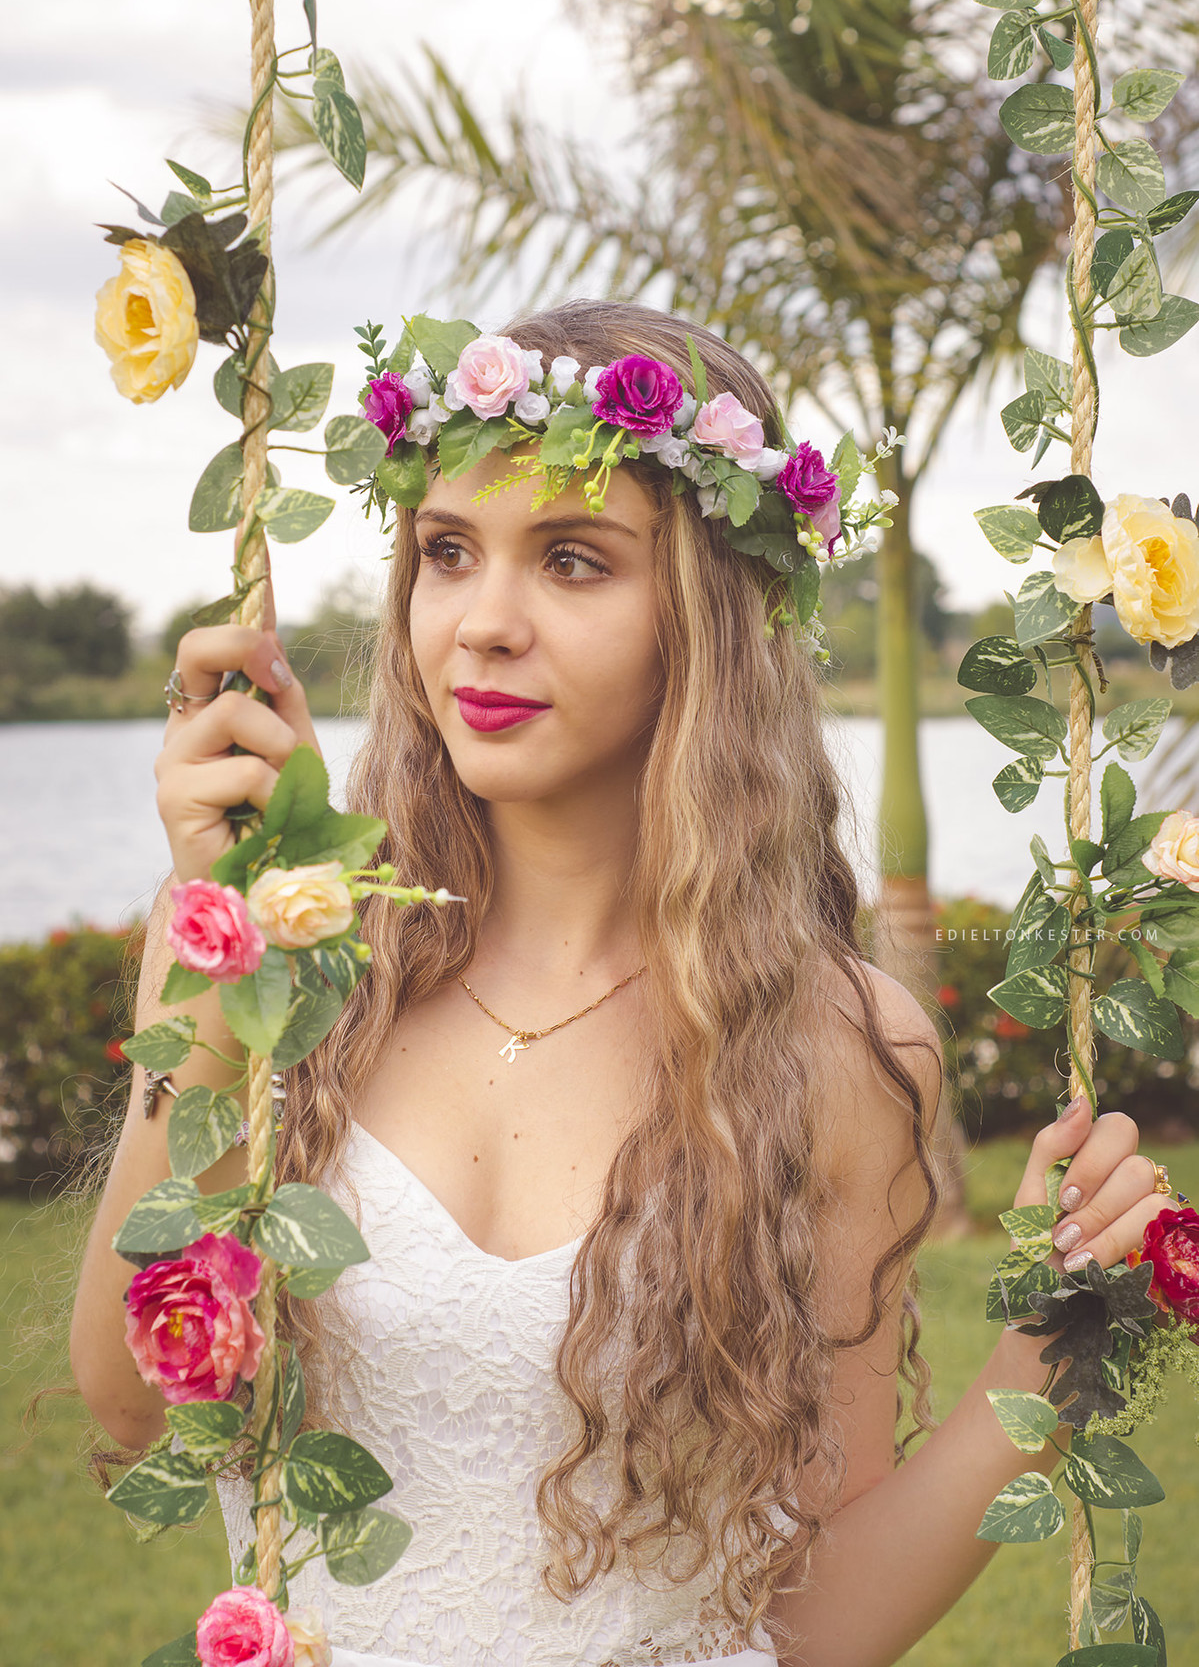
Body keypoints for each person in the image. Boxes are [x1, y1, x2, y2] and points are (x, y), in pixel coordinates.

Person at [70, 300, 1177, 1667]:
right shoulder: (291, 964)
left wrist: (1038, 1367)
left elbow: (811, 1615)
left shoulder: (830, 1044)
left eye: (572, 560)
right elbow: (132, 1411)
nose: (483, 624)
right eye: (447, 552)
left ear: (705, 619)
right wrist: (218, 969)